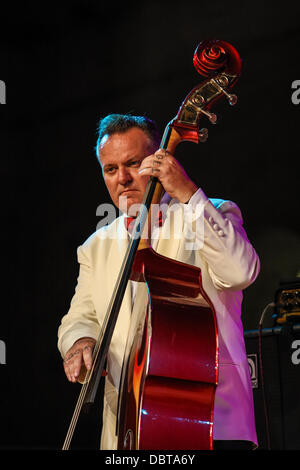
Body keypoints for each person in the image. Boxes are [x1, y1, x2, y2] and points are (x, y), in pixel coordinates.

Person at [57, 113, 260, 450]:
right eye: (110, 169)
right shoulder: (95, 247)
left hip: (213, 422)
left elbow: (241, 272)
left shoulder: (212, 212)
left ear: (160, 160)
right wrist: (80, 341)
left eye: (133, 163)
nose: (122, 178)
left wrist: (188, 193)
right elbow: (79, 318)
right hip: (128, 431)